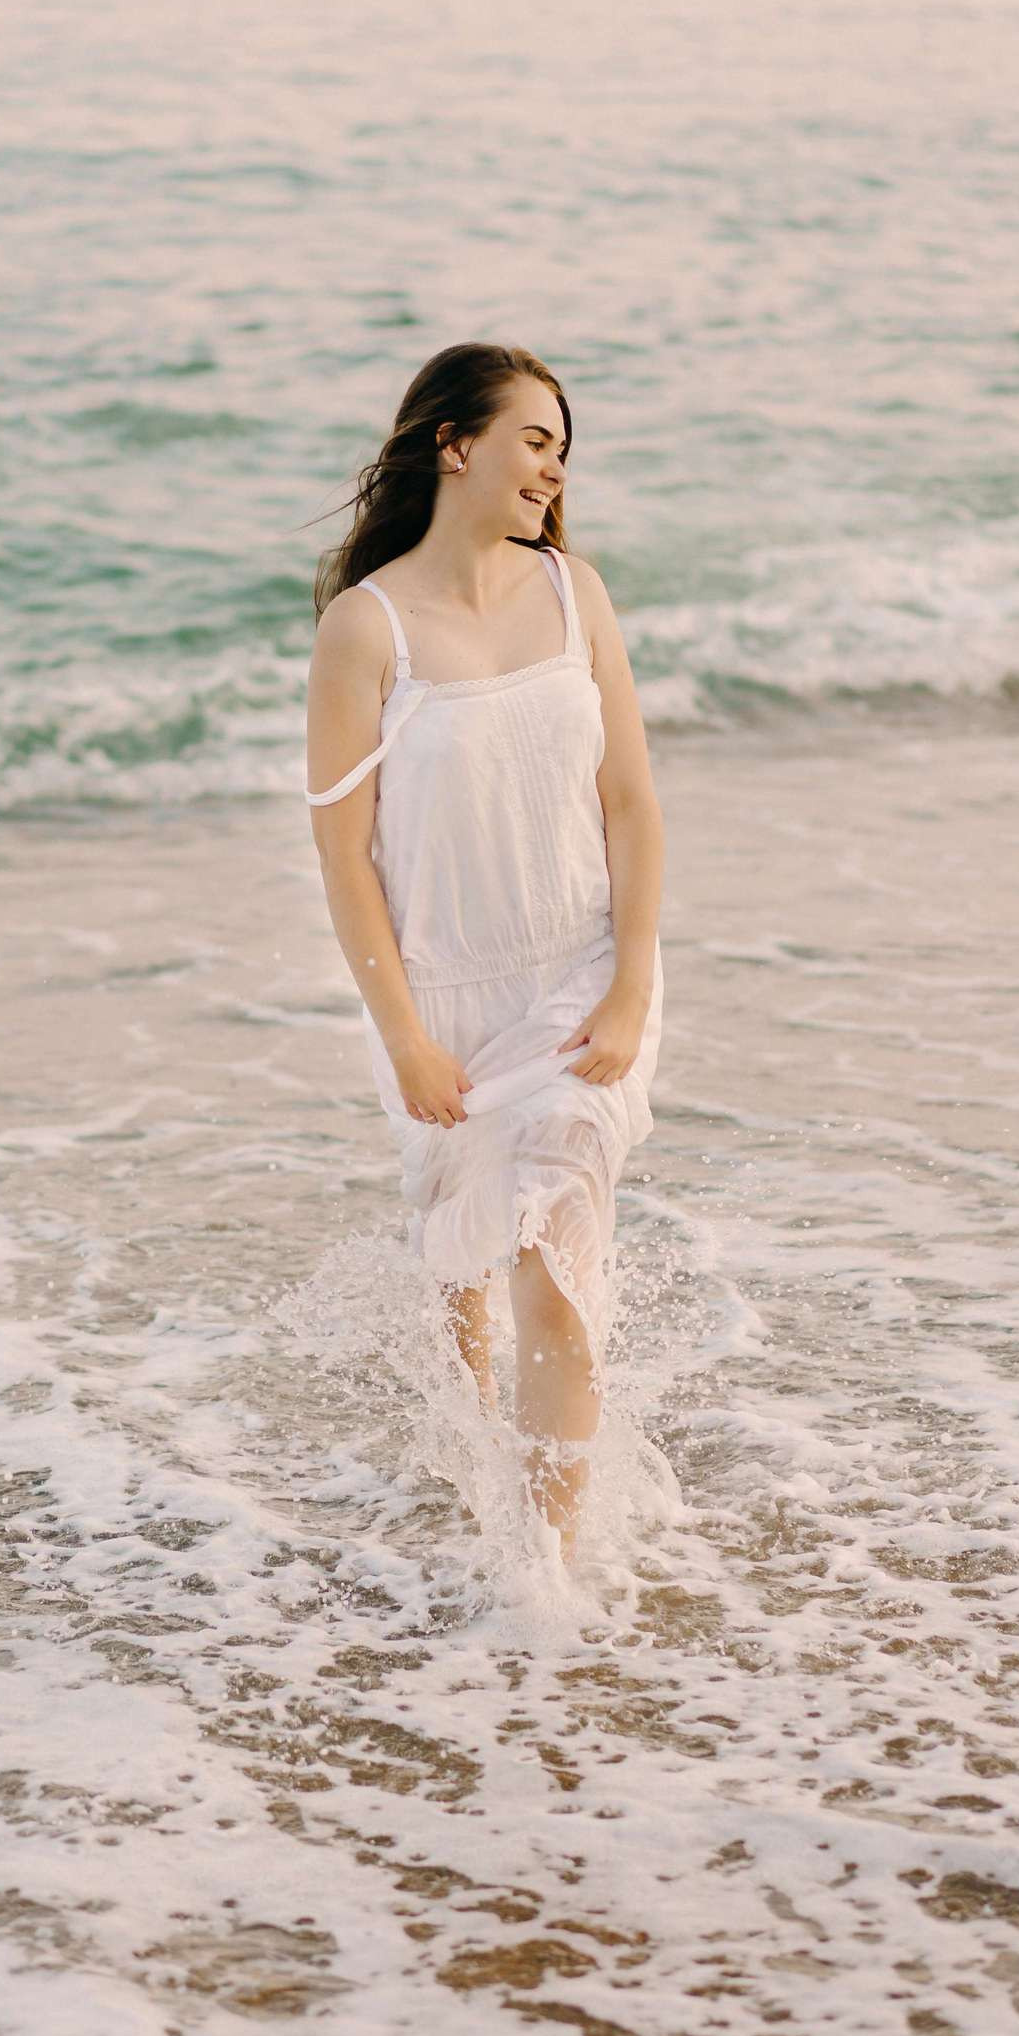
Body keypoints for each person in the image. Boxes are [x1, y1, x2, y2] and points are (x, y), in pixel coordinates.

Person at [303, 341, 665, 1561]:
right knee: (461, 1267)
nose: (554, 471)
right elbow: (345, 857)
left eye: (564, 451)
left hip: (578, 976)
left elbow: (629, 800)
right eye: (534, 440)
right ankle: (466, 1503)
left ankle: (548, 1587)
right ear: (455, 445)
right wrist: (404, 1036)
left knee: (552, 1256)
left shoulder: (575, 594)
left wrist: (628, 987)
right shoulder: (367, 631)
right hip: (443, 996)